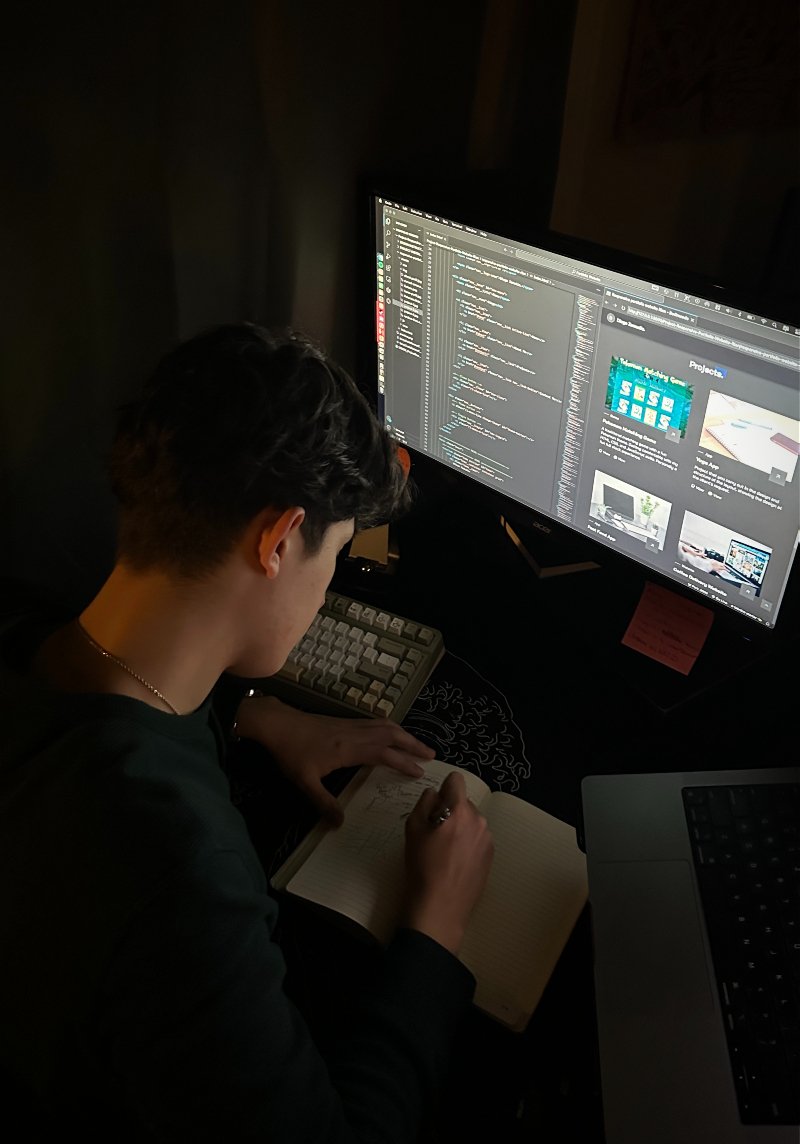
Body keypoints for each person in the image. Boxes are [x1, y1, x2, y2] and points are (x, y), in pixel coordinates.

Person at [0, 325, 494, 1142]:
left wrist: (255, 716)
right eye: (336, 553)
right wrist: (437, 927)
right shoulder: (178, 876)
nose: (328, 584)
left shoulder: (27, 634)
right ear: (277, 540)